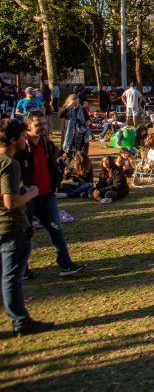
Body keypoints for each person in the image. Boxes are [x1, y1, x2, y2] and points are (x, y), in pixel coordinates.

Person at [0, 118, 54, 336]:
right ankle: (21, 321)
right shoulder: (9, 164)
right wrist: (31, 192)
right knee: (12, 277)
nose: (26, 139)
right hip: (11, 225)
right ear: (14, 139)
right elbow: (10, 202)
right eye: (23, 136)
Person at [17, 111, 85, 277]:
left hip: (47, 195)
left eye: (44, 123)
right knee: (25, 234)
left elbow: (53, 165)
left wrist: (55, 182)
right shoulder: (20, 147)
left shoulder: (47, 144)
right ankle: (22, 269)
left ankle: (65, 265)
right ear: (27, 127)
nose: (43, 127)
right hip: (27, 198)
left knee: (57, 230)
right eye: (38, 125)